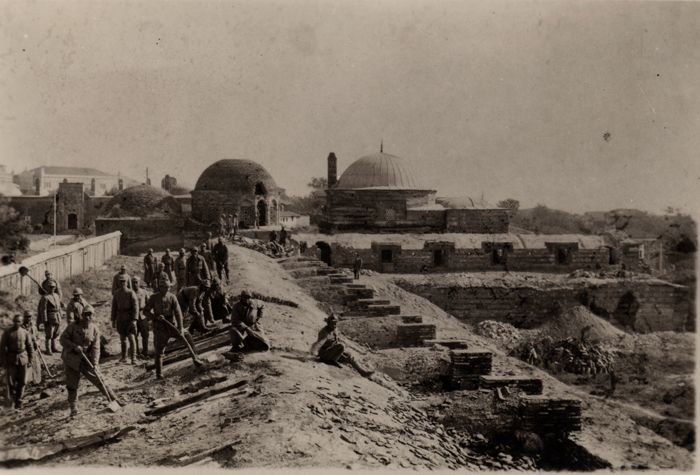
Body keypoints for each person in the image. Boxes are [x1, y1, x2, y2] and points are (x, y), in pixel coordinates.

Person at [60, 305, 118, 417]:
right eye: (86, 314)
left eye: (90, 314)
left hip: (86, 359)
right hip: (71, 359)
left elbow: (96, 348)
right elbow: (62, 339)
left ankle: (114, 399)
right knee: (72, 384)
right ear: (82, 315)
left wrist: (95, 363)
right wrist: (74, 346)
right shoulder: (72, 326)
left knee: (99, 379)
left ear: (93, 316)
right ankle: (73, 407)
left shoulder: (94, 329)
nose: (88, 317)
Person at [143, 279, 184, 379]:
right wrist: (155, 317)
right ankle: (159, 374)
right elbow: (145, 311)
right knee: (159, 351)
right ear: (160, 287)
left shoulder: (172, 297)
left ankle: (195, 357)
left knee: (187, 337)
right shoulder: (153, 298)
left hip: (171, 324)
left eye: (168, 287)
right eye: (164, 287)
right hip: (159, 327)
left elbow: (178, 313)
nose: (166, 289)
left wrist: (181, 328)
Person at [0, 314, 34, 409]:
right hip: (11, 359)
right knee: (11, 381)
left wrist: (31, 359)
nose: (16, 323)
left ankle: (19, 400)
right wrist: (3, 362)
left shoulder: (25, 332)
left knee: (22, 381)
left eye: (19, 321)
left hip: (23, 358)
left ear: (21, 322)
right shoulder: (7, 333)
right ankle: (12, 399)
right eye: (15, 321)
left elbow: (30, 347)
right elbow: (2, 349)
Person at [227, 290, 270, 355]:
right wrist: (246, 328)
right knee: (233, 331)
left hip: (254, 326)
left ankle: (251, 344)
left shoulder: (255, 303)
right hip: (242, 327)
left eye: (249, 297)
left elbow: (262, 305)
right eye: (245, 297)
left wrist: (259, 316)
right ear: (241, 298)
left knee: (263, 341)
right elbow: (235, 320)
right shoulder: (236, 307)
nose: (247, 299)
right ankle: (237, 346)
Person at [111, 275, 139, 364]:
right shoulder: (116, 293)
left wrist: (134, 319)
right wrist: (113, 320)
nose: (122, 283)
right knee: (122, 338)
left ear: (127, 283)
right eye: (121, 282)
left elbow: (135, 307)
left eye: (124, 281)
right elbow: (114, 307)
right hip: (120, 318)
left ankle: (133, 358)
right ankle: (124, 357)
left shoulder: (131, 293)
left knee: (131, 337)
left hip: (129, 318)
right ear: (118, 283)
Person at [37, 281, 63, 354]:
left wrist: (61, 314)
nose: (52, 288)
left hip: (57, 316)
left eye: (53, 287)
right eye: (51, 287)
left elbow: (59, 306)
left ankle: (54, 347)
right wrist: (45, 319)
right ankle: (48, 350)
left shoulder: (56, 296)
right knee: (49, 334)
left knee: (56, 333)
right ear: (48, 288)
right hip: (50, 317)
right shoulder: (45, 297)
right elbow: (43, 309)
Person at [132, 276, 151, 358]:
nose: (135, 284)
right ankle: (136, 353)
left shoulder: (144, 292)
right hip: (133, 317)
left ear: (139, 283)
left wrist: (148, 314)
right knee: (134, 335)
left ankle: (145, 352)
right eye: (133, 282)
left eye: (136, 282)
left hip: (143, 316)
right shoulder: (130, 293)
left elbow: (149, 303)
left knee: (145, 335)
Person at [22, 311, 42, 385]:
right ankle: (25, 382)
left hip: (34, 350)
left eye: (30, 316)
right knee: (26, 367)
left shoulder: (34, 327)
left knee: (36, 365)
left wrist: (37, 342)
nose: (28, 318)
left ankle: (36, 382)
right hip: (25, 351)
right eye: (27, 317)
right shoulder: (21, 328)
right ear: (24, 317)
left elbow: (38, 337)